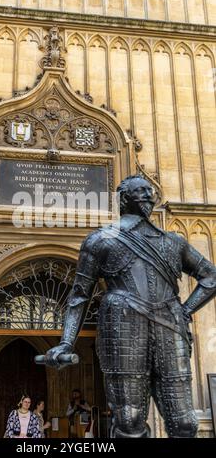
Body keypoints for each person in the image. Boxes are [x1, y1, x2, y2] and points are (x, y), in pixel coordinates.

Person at [45, 175, 216, 438]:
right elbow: (80, 296)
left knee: (184, 423)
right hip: (123, 328)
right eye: (140, 192)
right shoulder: (101, 240)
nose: (147, 196)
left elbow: (210, 277)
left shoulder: (173, 242)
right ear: (124, 199)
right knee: (129, 420)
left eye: (150, 191)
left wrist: (185, 310)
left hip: (170, 328)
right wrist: (67, 342)